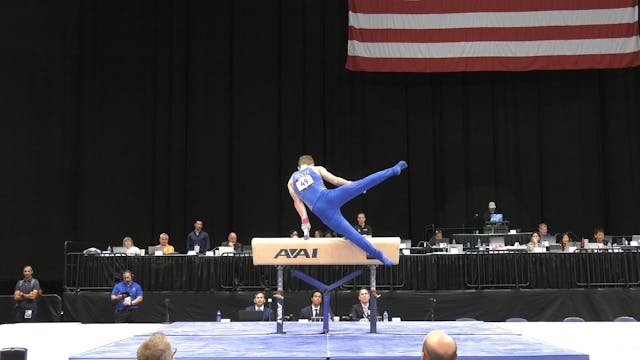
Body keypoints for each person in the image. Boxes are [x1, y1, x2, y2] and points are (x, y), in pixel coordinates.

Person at [287, 155, 407, 265]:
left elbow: (298, 203)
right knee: (365, 183)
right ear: (312, 164)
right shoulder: (317, 169)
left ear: (298, 167)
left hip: (322, 212)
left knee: (353, 236)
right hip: (330, 197)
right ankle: (393, 170)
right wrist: (351, 184)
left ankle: (379, 255)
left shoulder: (291, 182)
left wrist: (305, 222)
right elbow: (335, 180)